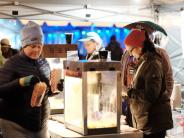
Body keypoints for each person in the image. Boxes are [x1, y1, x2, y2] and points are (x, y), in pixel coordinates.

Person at [0, 21, 60, 138]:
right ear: (24, 45)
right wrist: (21, 82)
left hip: (41, 124)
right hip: (15, 124)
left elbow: (45, 93)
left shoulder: (44, 63)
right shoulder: (11, 63)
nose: (37, 50)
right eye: (33, 46)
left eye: (39, 46)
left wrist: (56, 88)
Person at [124, 29, 173, 138]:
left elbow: (151, 95)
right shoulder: (144, 62)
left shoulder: (152, 63)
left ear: (139, 47)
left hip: (155, 121)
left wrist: (129, 91)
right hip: (148, 120)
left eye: (130, 51)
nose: (131, 54)